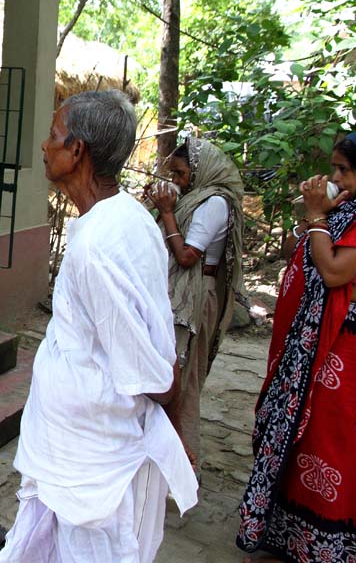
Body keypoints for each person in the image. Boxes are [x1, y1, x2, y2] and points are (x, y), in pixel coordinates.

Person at [0, 90, 197, 563]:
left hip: (91, 459)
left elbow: (152, 374)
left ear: (78, 151)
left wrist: (171, 402)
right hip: (76, 445)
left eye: (53, 137)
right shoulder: (127, 216)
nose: (45, 146)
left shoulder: (97, 247)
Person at [238, 130, 356, 563]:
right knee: (304, 437)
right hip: (317, 338)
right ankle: (287, 537)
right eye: (335, 167)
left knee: (333, 443)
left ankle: (325, 548)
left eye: (344, 169)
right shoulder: (352, 209)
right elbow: (302, 251)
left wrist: (319, 217)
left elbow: (336, 271)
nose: (336, 176)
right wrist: (313, 218)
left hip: (351, 346)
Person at [147, 138, 245, 473]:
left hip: (195, 297)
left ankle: (181, 467)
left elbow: (188, 256)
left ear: (201, 171)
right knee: (166, 377)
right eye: (173, 173)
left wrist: (168, 213)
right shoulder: (195, 199)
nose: (176, 180)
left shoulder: (215, 202)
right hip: (182, 294)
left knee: (181, 382)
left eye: (182, 173)